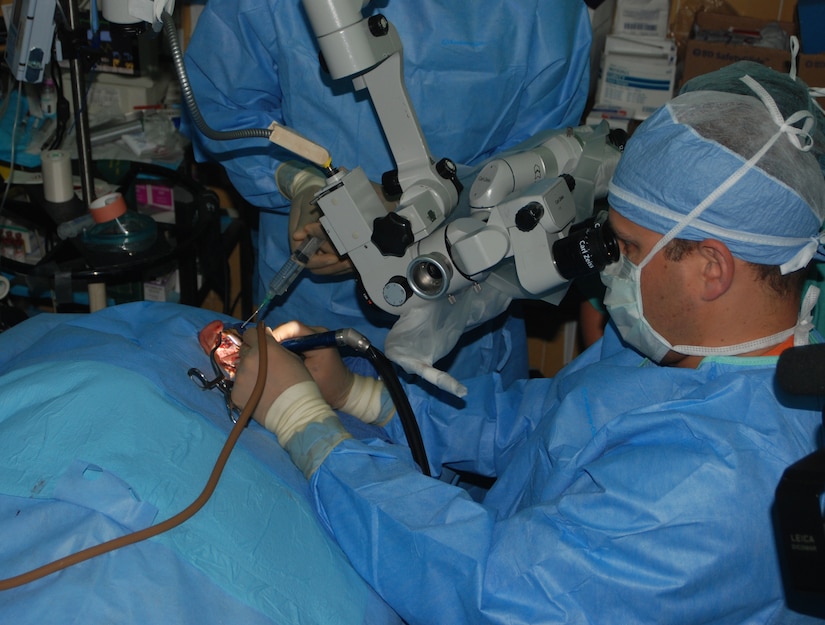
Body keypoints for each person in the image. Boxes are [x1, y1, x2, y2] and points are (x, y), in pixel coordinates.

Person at [229, 62, 825, 624]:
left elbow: (498, 591)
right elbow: (541, 428)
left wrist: (307, 427)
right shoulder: (683, 344)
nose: (608, 269)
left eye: (629, 250)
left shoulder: (713, 489)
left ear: (711, 269)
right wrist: (361, 397)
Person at [181, 0, 592, 388]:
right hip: (305, 300)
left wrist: (420, 211)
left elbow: (543, 170)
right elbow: (222, 108)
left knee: (443, 438)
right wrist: (298, 181)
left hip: (460, 304)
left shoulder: (544, 13)